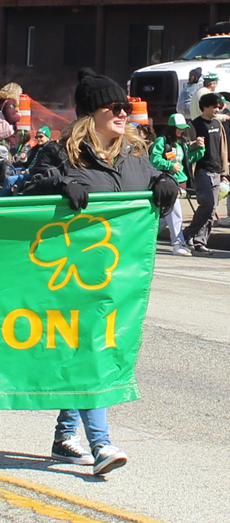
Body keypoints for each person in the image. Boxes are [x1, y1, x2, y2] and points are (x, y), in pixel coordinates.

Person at [23, 69, 178, 475]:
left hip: (118, 276)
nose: (124, 113)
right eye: (116, 107)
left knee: (96, 349)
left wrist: (164, 181)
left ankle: (65, 433)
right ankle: (102, 444)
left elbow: (152, 183)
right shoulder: (61, 153)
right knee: (89, 348)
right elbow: (22, 193)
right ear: (92, 113)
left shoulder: (135, 156)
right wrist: (57, 186)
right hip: (69, 274)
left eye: (126, 107)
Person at [150, 113, 205, 256]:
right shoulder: (161, 141)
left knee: (165, 217)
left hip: (180, 182)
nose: (181, 131)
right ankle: (177, 243)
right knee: (175, 213)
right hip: (167, 182)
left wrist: (200, 150)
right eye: (178, 128)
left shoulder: (181, 143)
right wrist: (169, 165)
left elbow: (187, 160)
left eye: (183, 128)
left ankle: (143, 235)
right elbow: (154, 160)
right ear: (171, 127)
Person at [184, 93, 229, 254]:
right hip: (202, 170)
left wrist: (225, 172)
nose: (217, 110)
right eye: (214, 107)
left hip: (217, 171)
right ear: (205, 107)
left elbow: (223, 148)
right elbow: (186, 148)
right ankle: (188, 234)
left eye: (219, 107)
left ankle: (200, 241)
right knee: (207, 205)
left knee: (212, 208)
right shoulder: (195, 124)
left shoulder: (218, 124)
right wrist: (195, 144)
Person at [0, 126, 51, 196]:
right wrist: (24, 160)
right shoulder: (35, 149)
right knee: (9, 179)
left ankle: (18, 200)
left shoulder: (49, 149)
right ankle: (1, 200)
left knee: (21, 178)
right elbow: (27, 163)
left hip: (39, 174)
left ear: (47, 137)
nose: (38, 139)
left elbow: (43, 165)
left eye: (41, 137)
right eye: (37, 137)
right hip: (28, 171)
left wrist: (29, 170)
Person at [0, 82, 22, 147]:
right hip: (6, 132)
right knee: (10, 148)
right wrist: (18, 115)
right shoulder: (9, 101)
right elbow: (10, 117)